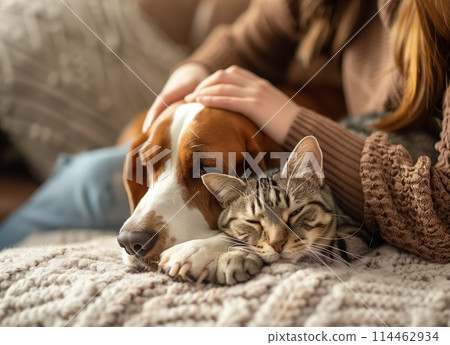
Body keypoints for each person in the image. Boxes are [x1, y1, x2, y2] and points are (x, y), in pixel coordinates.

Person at [1, 0, 449, 264]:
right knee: (91, 177)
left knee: (92, 183)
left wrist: (287, 119)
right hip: (325, 152)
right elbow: (248, 38)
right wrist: (192, 75)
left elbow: (441, 205)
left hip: (352, 168)